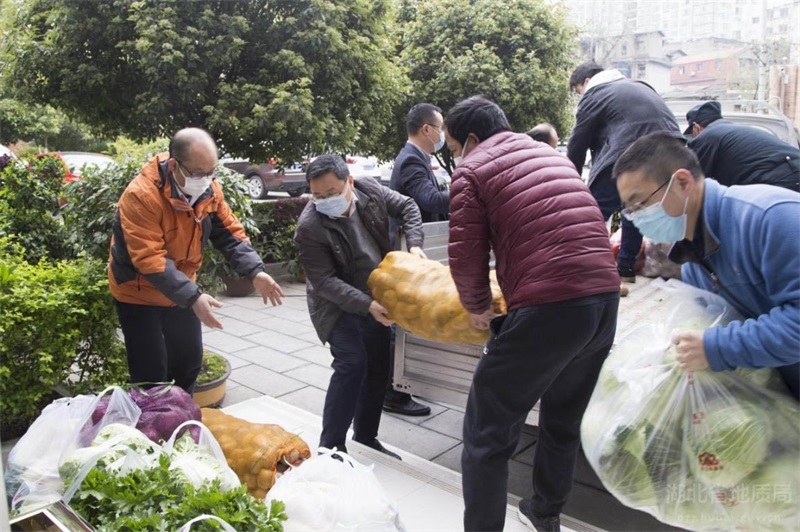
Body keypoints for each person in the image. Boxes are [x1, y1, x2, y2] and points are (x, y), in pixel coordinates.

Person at [444, 96, 621, 532]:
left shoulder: (472, 168)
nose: (454, 158)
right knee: (562, 419)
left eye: (452, 148)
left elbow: (466, 255)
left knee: (487, 433)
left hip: (550, 306)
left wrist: (478, 307)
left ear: (470, 138)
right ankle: (544, 513)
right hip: (603, 299)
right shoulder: (549, 155)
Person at [614, 132, 800, 400]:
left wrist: (715, 349)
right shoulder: (693, 264)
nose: (636, 217)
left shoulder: (770, 218)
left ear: (681, 182)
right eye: (630, 210)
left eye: (641, 202)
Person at [108, 128, 285, 394]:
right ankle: (151, 427)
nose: (206, 179)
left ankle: (181, 423)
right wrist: (193, 297)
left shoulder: (209, 189)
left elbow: (229, 233)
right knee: (150, 375)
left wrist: (255, 271)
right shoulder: (141, 195)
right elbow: (149, 258)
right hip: (138, 292)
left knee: (188, 363)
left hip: (181, 288)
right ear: (174, 163)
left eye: (211, 171)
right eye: (198, 173)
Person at [294, 154, 426, 459]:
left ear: (349, 182)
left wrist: (415, 243)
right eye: (317, 196)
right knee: (352, 363)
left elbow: (408, 205)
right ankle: (331, 447)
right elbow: (324, 281)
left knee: (379, 365)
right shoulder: (309, 227)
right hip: (336, 302)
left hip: (376, 291)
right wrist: (367, 305)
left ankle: (366, 436)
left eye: (331, 193)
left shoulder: (371, 191)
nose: (324, 200)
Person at [567, 61, 682, 284]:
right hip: (672, 152)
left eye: (578, 90)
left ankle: (576, 270)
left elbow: (578, 144)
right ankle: (625, 269)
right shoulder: (639, 86)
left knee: (592, 211)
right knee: (636, 209)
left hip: (635, 150)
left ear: (587, 82)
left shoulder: (596, 93)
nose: (581, 95)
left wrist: (569, 179)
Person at [383, 103, 449, 417]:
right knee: (401, 323)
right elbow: (429, 201)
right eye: (441, 128)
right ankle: (392, 394)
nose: (443, 134)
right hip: (411, 251)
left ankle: (400, 386)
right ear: (427, 129)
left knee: (407, 320)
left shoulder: (418, 159)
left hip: (417, 250)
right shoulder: (411, 160)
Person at [685, 100, 800, 192]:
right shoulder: (735, 131)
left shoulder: (707, 136)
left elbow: (694, 181)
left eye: (691, 134)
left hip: (782, 182)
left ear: (696, 127)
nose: (693, 137)